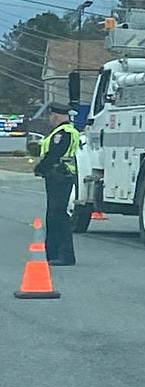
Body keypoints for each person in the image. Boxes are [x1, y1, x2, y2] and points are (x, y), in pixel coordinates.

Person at [33, 102, 79, 266]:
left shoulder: (63, 133)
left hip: (60, 176)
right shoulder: (64, 132)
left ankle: (64, 255)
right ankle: (53, 254)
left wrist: (40, 168)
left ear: (56, 115)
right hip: (58, 177)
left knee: (58, 216)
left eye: (51, 115)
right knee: (54, 216)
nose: (50, 119)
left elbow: (54, 154)